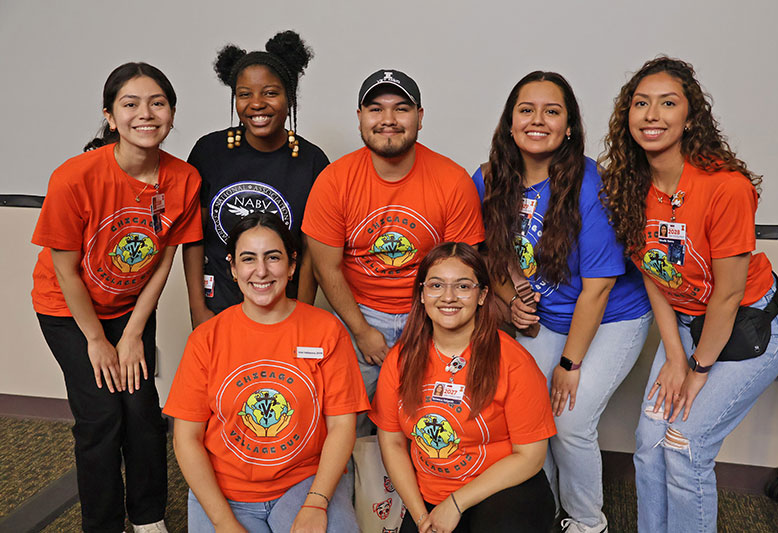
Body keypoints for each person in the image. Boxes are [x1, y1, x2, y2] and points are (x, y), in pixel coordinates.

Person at [600, 56, 778, 533]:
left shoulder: (725, 187)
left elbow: (727, 297)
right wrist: (673, 355)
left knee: (684, 445)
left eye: (668, 103)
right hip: (688, 326)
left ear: (690, 118)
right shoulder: (628, 185)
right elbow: (654, 273)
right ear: (627, 116)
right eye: (641, 103)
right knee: (649, 442)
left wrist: (697, 369)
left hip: (750, 326)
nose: (652, 115)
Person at [473, 71, 652, 533]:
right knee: (526, 416)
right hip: (550, 316)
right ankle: (544, 513)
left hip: (613, 315)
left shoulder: (591, 184)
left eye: (552, 111)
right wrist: (513, 298)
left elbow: (598, 288)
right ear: (509, 123)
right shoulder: (490, 177)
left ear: (568, 126)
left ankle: (588, 523)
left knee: (570, 421)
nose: (538, 120)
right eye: (526, 110)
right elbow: (493, 250)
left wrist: (569, 365)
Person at [31, 62, 202, 533]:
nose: (144, 114)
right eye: (130, 104)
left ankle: (147, 516)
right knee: (103, 416)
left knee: (143, 412)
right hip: (68, 311)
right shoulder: (75, 177)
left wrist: (130, 334)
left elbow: (164, 259)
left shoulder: (183, 180)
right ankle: (102, 523)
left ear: (171, 113)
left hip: (128, 310)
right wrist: (97, 340)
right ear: (110, 116)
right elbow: (65, 270)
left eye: (157, 103)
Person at [302, 69, 484, 433]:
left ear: (419, 117)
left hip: (431, 309)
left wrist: (430, 330)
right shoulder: (334, 181)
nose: (388, 120)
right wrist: (362, 331)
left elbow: (463, 274)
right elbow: (327, 270)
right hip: (359, 311)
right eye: (375, 109)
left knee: (438, 418)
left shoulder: (452, 180)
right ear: (360, 119)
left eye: (400, 109)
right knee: (342, 421)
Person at [165, 213, 369, 532]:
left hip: (304, 485)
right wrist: (224, 523)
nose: (261, 271)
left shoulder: (327, 331)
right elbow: (186, 439)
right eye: (249, 259)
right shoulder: (206, 339)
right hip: (224, 491)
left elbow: (343, 426)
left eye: (273, 257)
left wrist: (316, 502)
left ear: (291, 266)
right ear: (233, 268)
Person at [370, 242, 556, 533]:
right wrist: (421, 518)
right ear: (421, 294)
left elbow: (531, 456)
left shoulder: (514, 361)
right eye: (436, 285)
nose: (448, 297)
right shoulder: (400, 360)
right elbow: (392, 443)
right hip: (430, 498)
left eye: (463, 286)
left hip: (504, 491)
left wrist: (456, 503)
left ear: (482, 296)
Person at [183, 30, 329, 328]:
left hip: (283, 308)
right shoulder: (209, 152)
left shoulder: (312, 162)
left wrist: (301, 312)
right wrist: (198, 307)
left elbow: (312, 251)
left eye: (270, 93)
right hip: (218, 305)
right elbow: (193, 236)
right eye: (244, 94)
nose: (257, 104)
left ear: (289, 97)